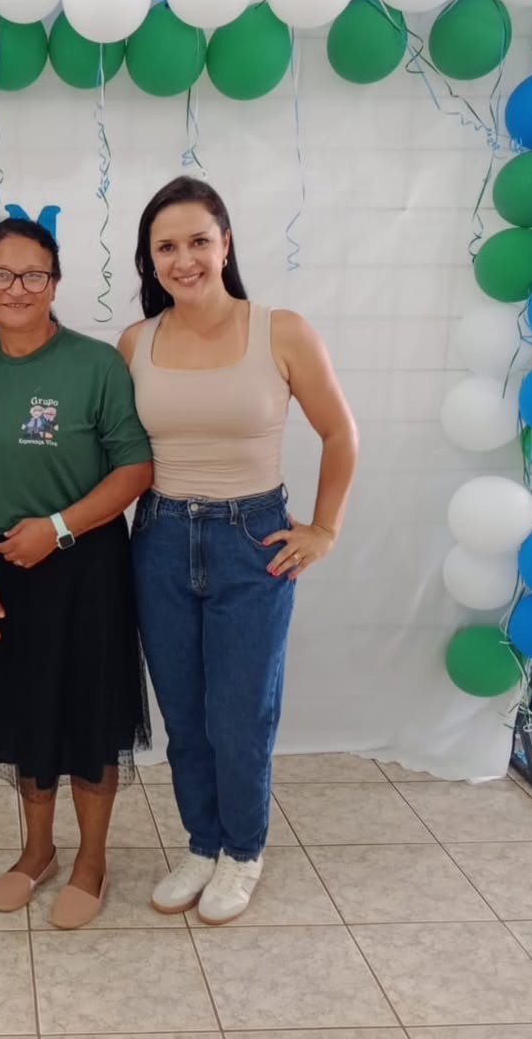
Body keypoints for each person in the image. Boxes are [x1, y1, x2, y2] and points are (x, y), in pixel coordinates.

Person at [120, 176, 358, 926]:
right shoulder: (136, 342)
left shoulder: (281, 332)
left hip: (252, 542)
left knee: (240, 715)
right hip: (159, 540)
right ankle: (203, 843)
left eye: (199, 240)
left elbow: (340, 433)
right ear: (150, 259)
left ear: (225, 244)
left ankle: (243, 849)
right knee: (184, 715)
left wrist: (324, 529)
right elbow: (117, 454)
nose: (184, 259)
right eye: (166, 247)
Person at [0, 219, 153, 930]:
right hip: (4, 569)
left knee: (90, 719)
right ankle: (37, 850)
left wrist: (60, 528)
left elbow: (136, 467)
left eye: (33, 274)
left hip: (85, 565)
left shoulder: (94, 365)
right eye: (0, 275)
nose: (17, 289)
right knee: (27, 715)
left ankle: (92, 860)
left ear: (55, 283)